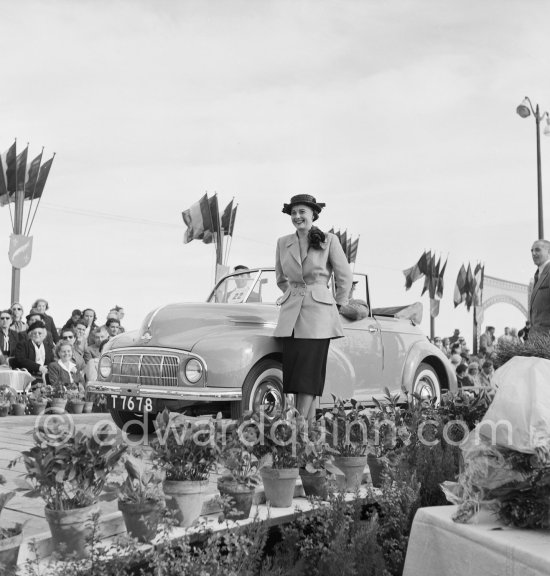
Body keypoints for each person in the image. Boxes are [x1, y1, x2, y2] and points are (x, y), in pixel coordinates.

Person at [274, 194, 352, 422]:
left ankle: (297, 425)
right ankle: (306, 433)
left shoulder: (329, 240)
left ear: (313, 215)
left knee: (308, 374)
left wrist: (337, 304)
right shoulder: (282, 242)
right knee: (296, 376)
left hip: (319, 316)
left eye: (302, 212)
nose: (297, 217)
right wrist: (293, 295)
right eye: (293, 213)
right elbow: (280, 278)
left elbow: (344, 275)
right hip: (290, 316)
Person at [529, 239, 550, 338]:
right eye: (532, 250)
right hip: (536, 340)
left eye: (537, 250)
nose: (533, 253)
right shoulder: (537, 275)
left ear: (549, 251)